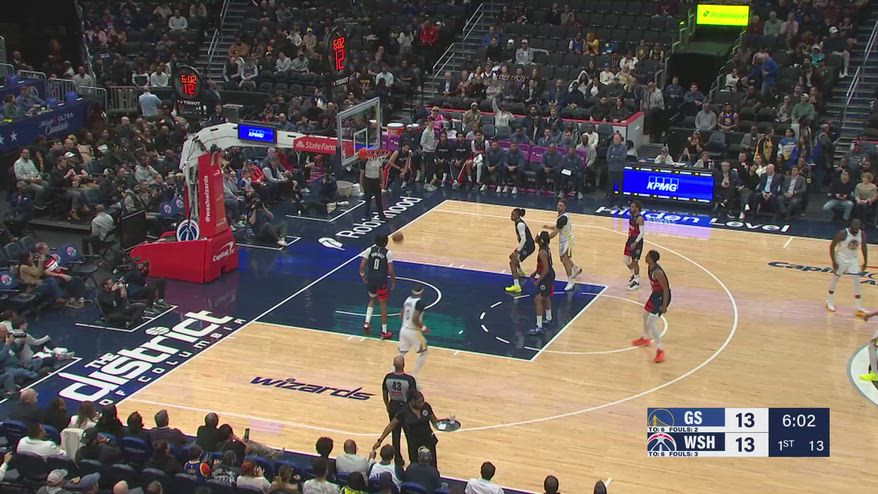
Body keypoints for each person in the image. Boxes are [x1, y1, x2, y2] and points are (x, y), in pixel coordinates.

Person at [373, 390, 450, 467]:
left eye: (423, 401)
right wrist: (380, 440)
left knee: (432, 465)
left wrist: (444, 421)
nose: (422, 403)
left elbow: (434, 421)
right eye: (419, 402)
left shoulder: (426, 407)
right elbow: (391, 426)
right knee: (415, 465)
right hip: (414, 443)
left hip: (428, 440)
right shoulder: (404, 411)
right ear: (412, 401)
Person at [631, 250, 671, 363]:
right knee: (645, 315)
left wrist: (664, 306)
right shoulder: (650, 267)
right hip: (656, 295)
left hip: (662, 297)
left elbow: (666, 289)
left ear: (651, 259)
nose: (645, 257)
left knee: (652, 323)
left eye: (647, 256)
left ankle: (660, 350)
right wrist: (653, 295)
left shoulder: (657, 272)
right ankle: (645, 338)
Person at [826, 218, 868, 315]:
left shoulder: (862, 234)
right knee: (835, 280)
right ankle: (829, 301)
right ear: (851, 225)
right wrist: (834, 261)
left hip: (853, 260)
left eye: (858, 226)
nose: (856, 227)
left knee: (856, 282)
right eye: (855, 225)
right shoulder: (843, 233)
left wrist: (865, 261)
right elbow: (832, 246)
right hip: (841, 258)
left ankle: (859, 306)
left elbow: (864, 247)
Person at [359, 233, 396, 339]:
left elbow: (362, 266)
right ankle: (384, 332)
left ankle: (367, 322)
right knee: (383, 304)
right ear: (385, 242)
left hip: (370, 279)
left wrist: (363, 275)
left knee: (372, 299)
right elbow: (391, 270)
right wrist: (393, 281)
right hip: (381, 281)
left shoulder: (369, 250)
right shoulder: (388, 253)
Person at [381, 356, 416, 466]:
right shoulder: (409, 379)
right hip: (405, 408)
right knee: (409, 435)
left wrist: (387, 405)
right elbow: (413, 397)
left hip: (393, 406)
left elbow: (384, 393)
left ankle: (398, 460)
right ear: (404, 364)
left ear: (393, 365)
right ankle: (413, 459)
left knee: (395, 435)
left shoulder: (388, 377)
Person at [543, 199, 582, 291]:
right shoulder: (561, 216)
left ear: (564, 207)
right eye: (558, 204)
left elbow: (555, 232)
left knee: (565, 259)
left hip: (568, 240)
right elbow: (558, 227)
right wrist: (549, 227)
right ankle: (575, 268)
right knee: (563, 259)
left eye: (560, 205)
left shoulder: (563, 218)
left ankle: (571, 281)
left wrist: (545, 239)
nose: (558, 206)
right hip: (563, 240)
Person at [528, 231, 556, 336]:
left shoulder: (542, 252)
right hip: (549, 275)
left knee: (538, 299)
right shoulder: (545, 249)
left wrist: (538, 280)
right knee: (546, 297)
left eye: (537, 236)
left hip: (547, 276)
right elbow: (546, 264)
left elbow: (546, 268)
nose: (535, 237)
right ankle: (548, 318)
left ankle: (539, 327)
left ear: (541, 240)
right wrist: (536, 272)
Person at [398, 286, 429, 377]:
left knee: (401, 353)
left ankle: (394, 372)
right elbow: (415, 319)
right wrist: (423, 328)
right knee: (424, 352)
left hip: (403, 329)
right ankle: (414, 375)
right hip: (413, 331)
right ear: (422, 292)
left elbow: (401, 316)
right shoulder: (419, 303)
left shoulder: (407, 300)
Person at [505, 208, 535, 294]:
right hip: (526, 246)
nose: (511, 216)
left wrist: (518, 250)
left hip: (528, 247)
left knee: (512, 263)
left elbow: (523, 239)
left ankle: (517, 286)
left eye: (513, 215)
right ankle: (521, 272)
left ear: (517, 216)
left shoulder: (520, 224)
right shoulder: (518, 222)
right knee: (512, 257)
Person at [359, 149, 387, 222]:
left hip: (376, 181)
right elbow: (361, 174)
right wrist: (361, 185)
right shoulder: (363, 162)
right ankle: (367, 215)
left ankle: (381, 216)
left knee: (378, 199)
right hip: (368, 181)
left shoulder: (377, 160)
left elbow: (381, 172)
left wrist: (383, 182)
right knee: (367, 199)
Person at [624, 201, 645, 291]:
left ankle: (637, 281)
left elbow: (642, 233)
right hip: (630, 240)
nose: (631, 208)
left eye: (633, 207)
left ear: (637, 208)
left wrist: (635, 243)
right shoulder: (632, 216)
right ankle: (634, 274)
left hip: (637, 242)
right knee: (625, 260)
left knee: (635, 262)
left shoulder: (640, 218)